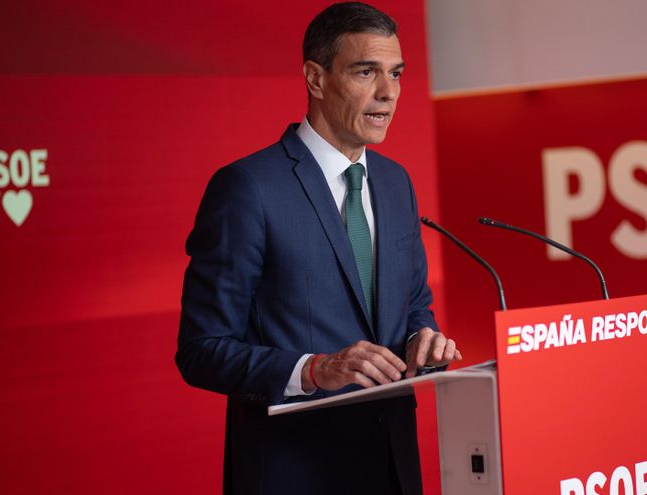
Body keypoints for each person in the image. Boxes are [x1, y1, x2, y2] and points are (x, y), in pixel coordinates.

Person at [176, 3, 461, 494]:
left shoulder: (395, 183)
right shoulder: (248, 188)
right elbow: (201, 350)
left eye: (395, 73)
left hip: (394, 469)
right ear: (315, 78)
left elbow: (414, 307)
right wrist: (312, 370)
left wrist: (423, 338)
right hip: (295, 473)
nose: (388, 93)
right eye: (366, 71)